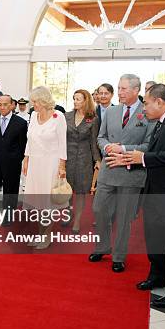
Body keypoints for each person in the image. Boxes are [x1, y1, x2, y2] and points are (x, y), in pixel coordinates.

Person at [108, 84, 165, 308]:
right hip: (156, 192)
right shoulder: (160, 122)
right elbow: (152, 154)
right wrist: (131, 158)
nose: (143, 108)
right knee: (155, 238)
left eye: (146, 103)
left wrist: (142, 158)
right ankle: (157, 276)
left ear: (159, 102)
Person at [89, 74, 154, 273]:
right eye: (118, 88)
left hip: (131, 173)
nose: (120, 92)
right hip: (108, 170)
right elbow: (101, 137)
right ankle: (102, 246)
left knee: (124, 217)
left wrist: (123, 148)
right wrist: (107, 146)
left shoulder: (147, 113)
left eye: (124, 89)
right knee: (99, 210)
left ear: (136, 90)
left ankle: (118, 256)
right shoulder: (112, 111)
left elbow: (148, 145)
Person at [22, 86, 67, 249]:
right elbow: (30, 140)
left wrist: (62, 166)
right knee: (37, 202)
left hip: (51, 164)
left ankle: (46, 236)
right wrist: (26, 159)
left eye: (35, 101)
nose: (33, 105)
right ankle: (39, 234)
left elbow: (63, 144)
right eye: (32, 102)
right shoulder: (34, 115)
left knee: (47, 203)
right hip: (35, 164)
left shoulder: (58, 116)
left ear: (44, 100)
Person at [0, 95, 27, 224]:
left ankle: (8, 217)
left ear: (12, 105)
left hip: (12, 163)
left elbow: (22, 145)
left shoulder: (20, 123)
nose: (2, 107)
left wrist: (15, 159)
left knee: (10, 191)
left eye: (5, 104)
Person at [64, 90, 101, 233]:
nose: (75, 101)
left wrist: (97, 160)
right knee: (66, 190)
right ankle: (68, 214)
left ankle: (77, 220)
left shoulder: (93, 118)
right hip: (67, 158)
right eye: (74, 99)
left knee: (80, 192)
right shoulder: (66, 116)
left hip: (84, 160)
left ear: (86, 101)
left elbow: (93, 142)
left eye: (78, 99)